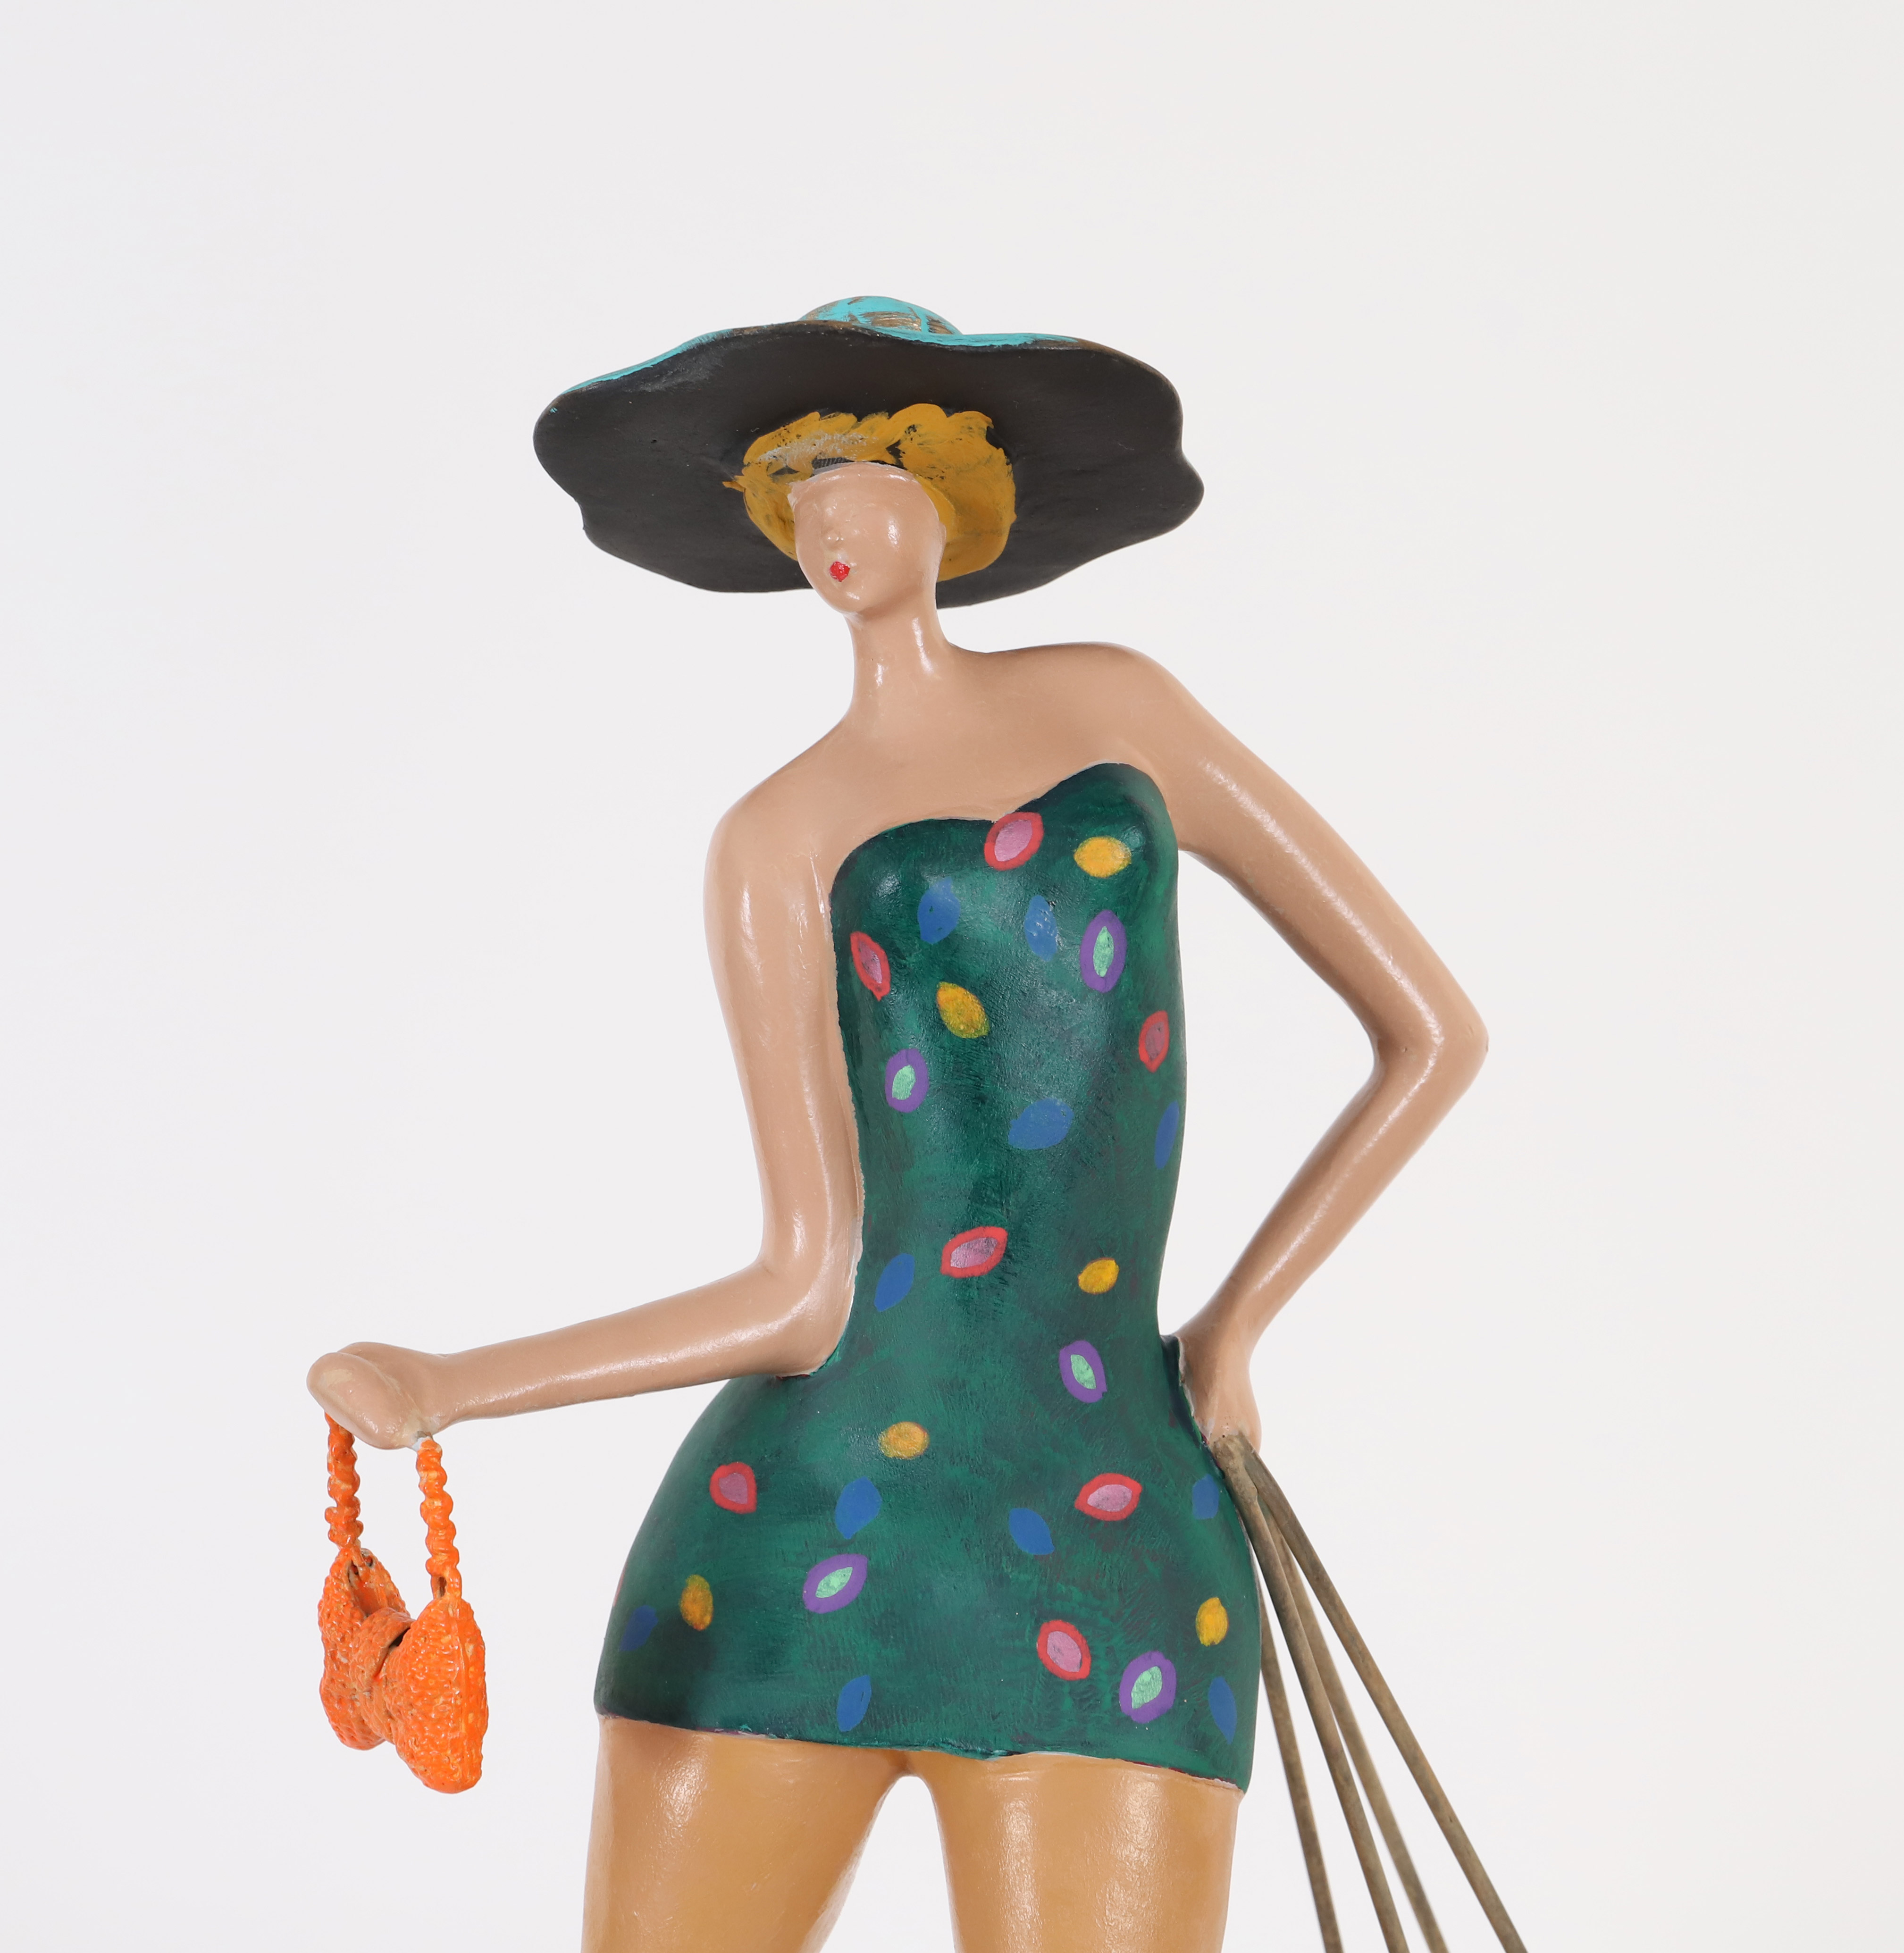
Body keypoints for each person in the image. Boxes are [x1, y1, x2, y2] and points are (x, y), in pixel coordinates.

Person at [308, 297, 1485, 1953]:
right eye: (794, 500)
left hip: (1117, 1517)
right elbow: (803, 1285)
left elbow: (1431, 1034)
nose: (829, 528)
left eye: (863, 481)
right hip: (791, 1535)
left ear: (956, 503)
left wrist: (1233, 1326)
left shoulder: (1120, 707)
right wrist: (450, 1385)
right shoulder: (776, 836)